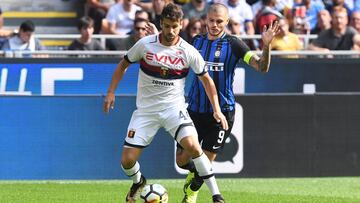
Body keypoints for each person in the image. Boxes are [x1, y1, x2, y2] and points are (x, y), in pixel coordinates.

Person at [103, 3, 229, 203]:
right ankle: (138, 181)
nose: (171, 31)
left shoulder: (188, 51)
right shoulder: (145, 44)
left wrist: (217, 110)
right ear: (161, 23)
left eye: (175, 26)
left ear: (181, 25)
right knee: (127, 161)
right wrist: (111, 92)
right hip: (146, 112)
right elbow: (123, 64)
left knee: (194, 148)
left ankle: (217, 195)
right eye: (167, 26)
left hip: (174, 110)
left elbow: (207, 80)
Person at [175, 3, 279, 203]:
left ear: (227, 22)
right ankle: (195, 176)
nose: (214, 25)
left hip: (221, 114)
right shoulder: (196, 41)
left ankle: (192, 190)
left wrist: (267, 46)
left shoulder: (235, 44)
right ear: (206, 19)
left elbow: (261, 67)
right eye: (211, 21)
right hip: (194, 111)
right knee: (182, 161)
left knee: (205, 161)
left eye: (219, 21)